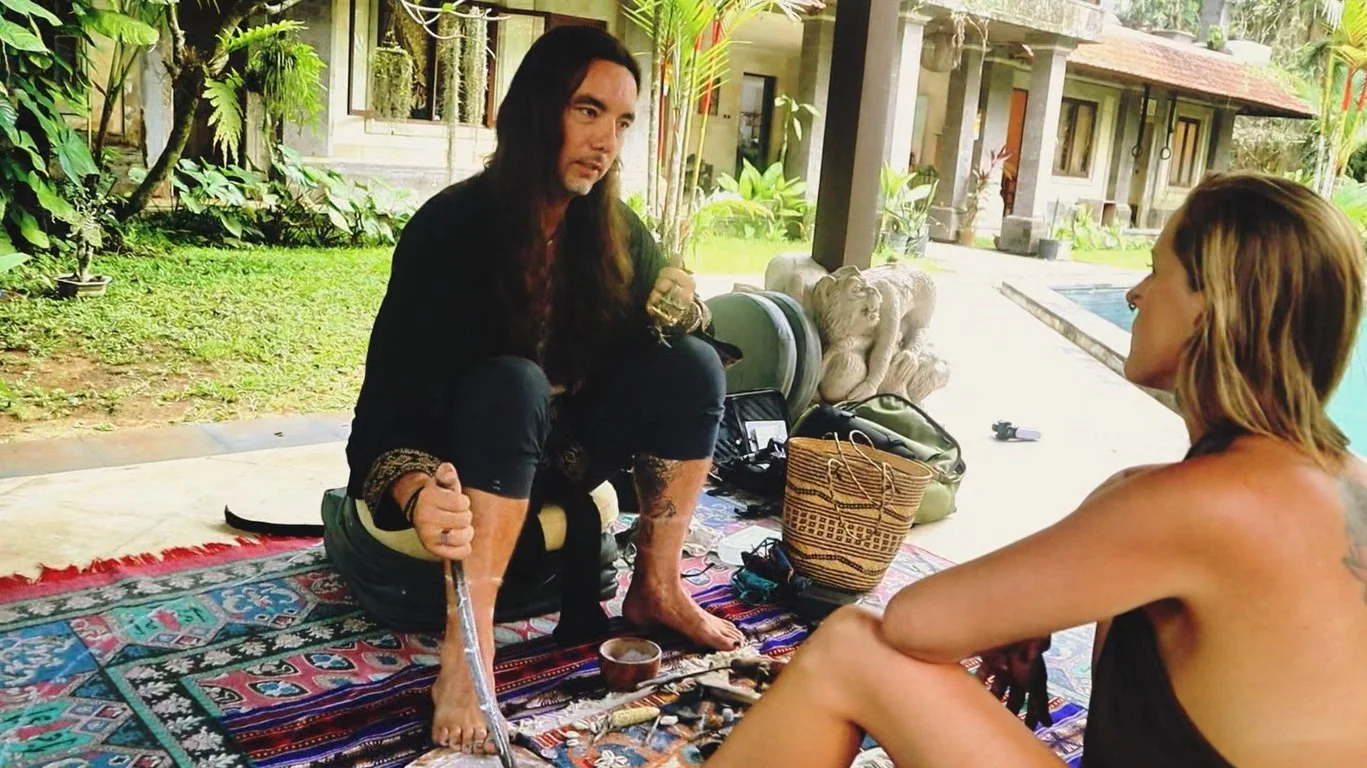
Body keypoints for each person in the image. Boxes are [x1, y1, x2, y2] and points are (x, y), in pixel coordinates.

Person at [705, 173, 1367, 767]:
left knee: (852, 646)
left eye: (1154, 269)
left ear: (1206, 307)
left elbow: (915, 623)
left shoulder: (1202, 501)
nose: (1135, 294)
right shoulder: (1342, 478)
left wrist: (1010, 614)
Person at [328, 25, 744, 756]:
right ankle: (470, 647)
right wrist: (418, 492)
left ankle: (656, 587)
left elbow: (669, 295)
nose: (605, 140)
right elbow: (379, 425)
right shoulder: (448, 231)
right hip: (462, 458)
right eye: (587, 111)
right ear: (533, 112)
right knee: (513, 382)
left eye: (620, 121)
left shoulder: (609, 229)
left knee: (693, 364)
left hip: (564, 454)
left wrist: (683, 293)